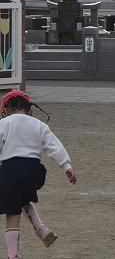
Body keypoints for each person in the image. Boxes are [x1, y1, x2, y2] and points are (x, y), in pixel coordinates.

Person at [0, 90, 78, 259]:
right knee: (22, 199)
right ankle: (41, 229)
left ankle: (13, 255)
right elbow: (54, 146)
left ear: (4, 110)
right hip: (35, 172)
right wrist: (67, 166)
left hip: (11, 170)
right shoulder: (39, 124)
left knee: (12, 211)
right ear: (30, 110)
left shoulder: (4, 124)